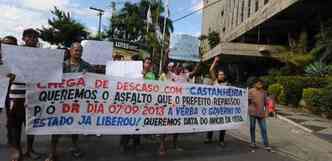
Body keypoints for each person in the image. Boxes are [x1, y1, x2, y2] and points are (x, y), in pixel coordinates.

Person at [46, 42, 95, 161]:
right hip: (61, 101)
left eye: (80, 51)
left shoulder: (87, 66)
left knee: (75, 125)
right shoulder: (61, 65)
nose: (78, 53)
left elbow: (94, 81)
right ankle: (52, 152)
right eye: (76, 50)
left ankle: (75, 147)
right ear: (70, 51)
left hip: (77, 101)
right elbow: (51, 80)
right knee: (56, 126)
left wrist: (88, 76)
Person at [6, 29, 43, 161]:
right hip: (17, 94)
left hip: (34, 94)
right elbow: (6, 71)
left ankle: (30, 149)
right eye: (30, 37)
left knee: (31, 124)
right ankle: (17, 150)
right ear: (23, 38)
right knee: (15, 124)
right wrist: (8, 74)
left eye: (35, 37)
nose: (33, 39)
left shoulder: (42, 55)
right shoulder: (14, 53)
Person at [204, 57, 228, 147]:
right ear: (217, 76)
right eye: (219, 74)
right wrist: (215, 61)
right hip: (214, 107)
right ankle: (208, 138)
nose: (221, 76)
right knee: (212, 122)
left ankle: (221, 140)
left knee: (223, 125)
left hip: (223, 108)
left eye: (222, 75)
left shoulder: (227, 85)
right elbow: (211, 70)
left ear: (224, 76)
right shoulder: (215, 82)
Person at [248, 78, 273, 152]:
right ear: (254, 84)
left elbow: (267, 103)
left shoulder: (264, 92)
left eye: (261, 83)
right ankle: (253, 142)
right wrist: (251, 101)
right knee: (252, 127)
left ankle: (266, 144)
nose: (260, 85)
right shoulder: (250, 91)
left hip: (261, 114)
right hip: (252, 113)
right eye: (258, 83)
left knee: (264, 129)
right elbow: (248, 101)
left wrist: (267, 112)